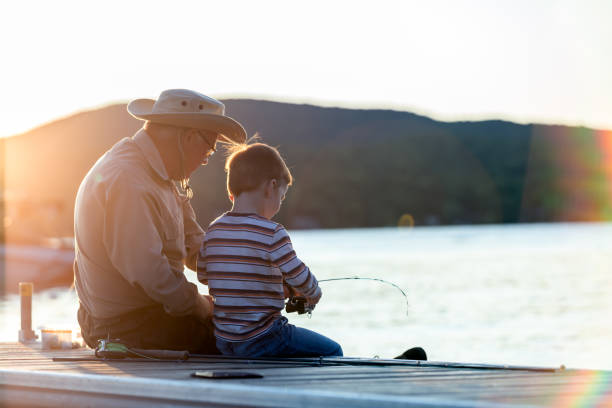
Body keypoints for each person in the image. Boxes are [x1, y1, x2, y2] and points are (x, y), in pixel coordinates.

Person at [74, 89, 246, 353]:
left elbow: (195, 247)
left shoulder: (159, 176)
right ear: (188, 137)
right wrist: (200, 306)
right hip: (126, 326)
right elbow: (150, 272)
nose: (205, 159)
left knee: (249, 330)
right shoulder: (128, 180)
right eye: (209, 149)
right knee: (248, 340)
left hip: (145, 317)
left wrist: (248, 274)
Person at [197, 143, 343, 357]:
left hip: (225, 342)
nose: (280, 204)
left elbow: (203, 275)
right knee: (333, 351)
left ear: (232, 193)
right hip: (265, 338)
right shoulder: (272, 232)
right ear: (271, 187)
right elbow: (301, 278)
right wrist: (314, 294)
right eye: (282, 197)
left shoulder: (213, 230)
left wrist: (264, 286)